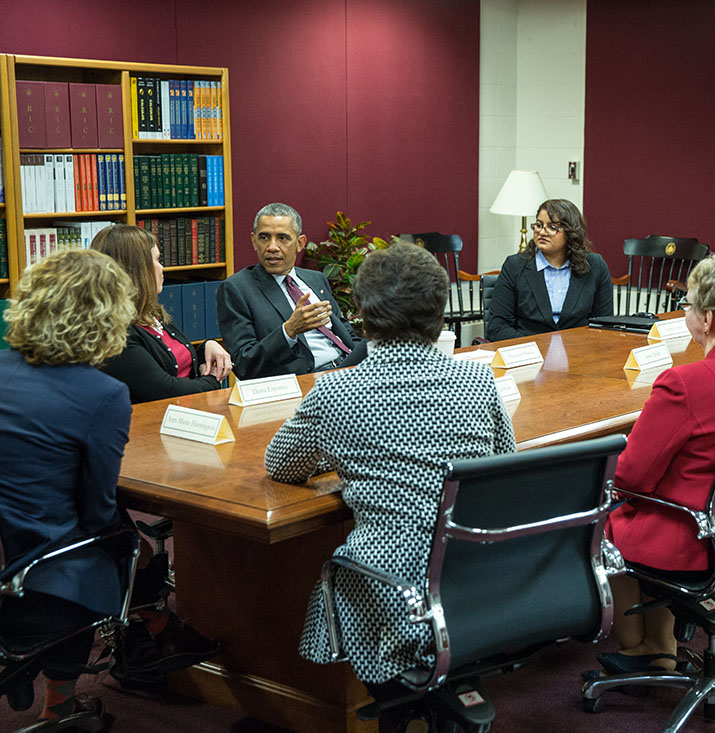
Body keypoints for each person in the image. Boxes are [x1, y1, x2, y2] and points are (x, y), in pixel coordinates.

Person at [266, 244, 515, 695]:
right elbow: (504, 465)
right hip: (477, 576)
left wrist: (343, 455)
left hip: (387, 589)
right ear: (439, 312)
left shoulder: (336, 391)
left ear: (361, 313)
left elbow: (280, 464)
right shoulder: (479, 382)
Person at [592, 251, 715, 676]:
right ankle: (660, 645)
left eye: (688, 304)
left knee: (605, 514)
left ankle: (640, 653)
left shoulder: (683, 383)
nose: (685, 310)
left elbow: (629, 477)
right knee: (649, 501)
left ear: (708, 320)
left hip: (690, 535)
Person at [0, 250, 135, 728]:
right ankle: (59, 708)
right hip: (37, 583)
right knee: (109, 546)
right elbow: (96, 510)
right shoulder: (102, 394)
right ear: (107, 319)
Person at [216, 202, 366, 379]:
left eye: (282, 238)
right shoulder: (236, 289)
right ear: (253, 241)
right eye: (264, 237)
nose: (272, 247)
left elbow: (346, 333)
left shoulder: (316, 279)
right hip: (310, 380)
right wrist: (289, 330)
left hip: (350, 368)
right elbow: (244, 364)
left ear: (300, 243)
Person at [92, 225, 232, 403]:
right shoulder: (116, 333)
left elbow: (178, 364)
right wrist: (213, 380)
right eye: (157, 260)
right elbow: (166, 389)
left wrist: (207, 347)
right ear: (137, 270)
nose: (162, 268)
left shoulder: (153, 315)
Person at [484, 198, 613, 340]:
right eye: (539, 225)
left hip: (579, 352)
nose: (542, 232)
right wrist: (531, 349)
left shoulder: (595, 266)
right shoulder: (514, 266)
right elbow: (497, 327)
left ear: (571, 232)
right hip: (529, 353)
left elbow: (604, 325)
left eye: (552, 227)